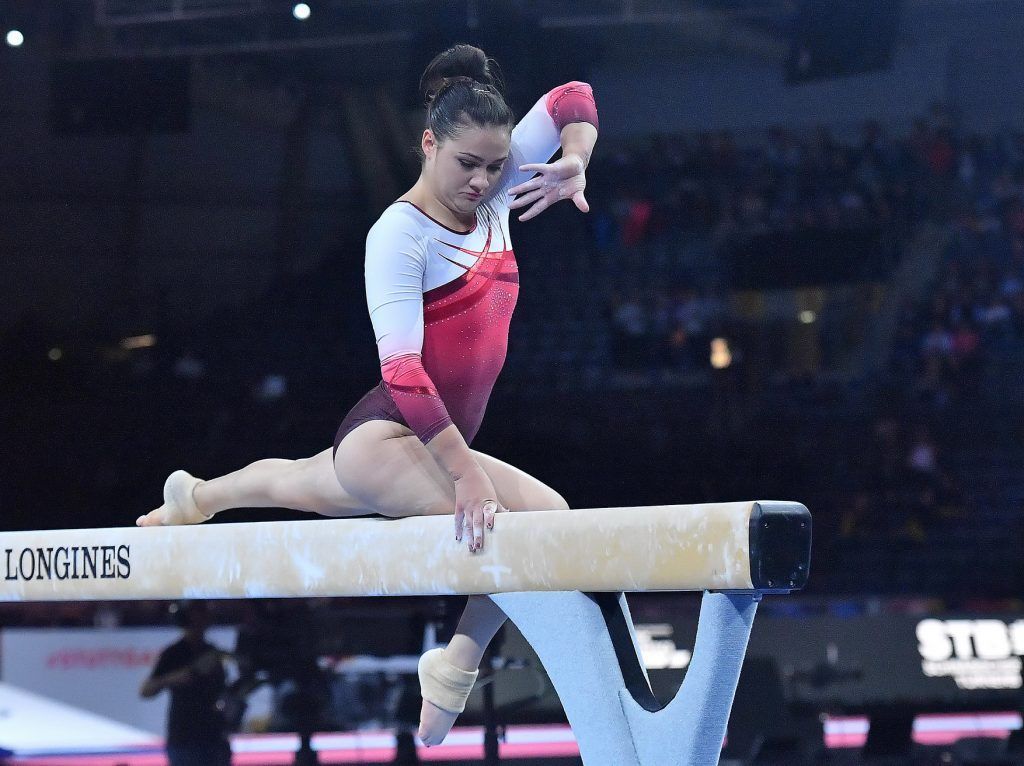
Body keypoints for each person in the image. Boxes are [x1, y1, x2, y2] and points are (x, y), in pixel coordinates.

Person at [136, 43, 599, 745]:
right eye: (465, 164)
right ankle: (456, 665)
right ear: (427, 143)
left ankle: (194, 497)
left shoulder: (499, 184)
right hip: (391, 438)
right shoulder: (399, 234)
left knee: (296, 481)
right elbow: (405, 373)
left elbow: (574, 96)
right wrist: (467, 474)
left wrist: (575, 157)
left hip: (416, 442)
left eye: (495, 166)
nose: (482, 181)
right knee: (537, 528)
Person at [140, 601, 232, 766]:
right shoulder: (174, 653)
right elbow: (146, 690)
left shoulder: (212, 653)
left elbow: (223, 691)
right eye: (197, 613)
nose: (201, 619)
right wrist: (175, 677)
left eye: (204, 613)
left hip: (213, 736)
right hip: (184, 737)